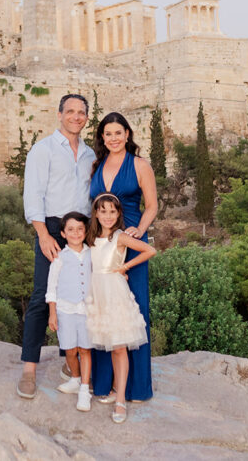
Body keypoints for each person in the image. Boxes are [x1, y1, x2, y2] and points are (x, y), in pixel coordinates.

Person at [17, 94, 96, 399]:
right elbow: (33, 195)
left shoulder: (90, 154)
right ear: (60, 114)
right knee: (42, 295)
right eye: (71, 111)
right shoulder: (43, 149)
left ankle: (71, 366)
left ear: (86, 117)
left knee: (80, 297)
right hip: (51, 228)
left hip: (83, 231)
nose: (76, 116)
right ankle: (28, 370)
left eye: (82, 112)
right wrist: (43, 234)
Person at [89, 111, 158, 403]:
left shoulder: (140, 164)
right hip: (101, 242)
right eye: (108, 134)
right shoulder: (96, 165)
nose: (114, 138)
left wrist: (140, 230)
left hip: (128, 241)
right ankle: (104, 384)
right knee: (103, 311)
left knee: (134, 313)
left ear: (127, 134)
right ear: (102, 138)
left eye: (118, 133)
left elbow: (153, 204)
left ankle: (135, 388)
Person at [86, 193, 156, 423]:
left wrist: (124, 266)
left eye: (112, 211)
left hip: (114, 293)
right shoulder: (90, 237)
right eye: (103, 211)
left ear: (118, 214)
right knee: (101, 342)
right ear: (96, 213)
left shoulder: (120, 237)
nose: (107, 216)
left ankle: (120, 399)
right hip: (95, 294)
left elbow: (149, 250)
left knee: (118, 346)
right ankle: (112, 388)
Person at [46, 211, 94, 412]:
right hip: (65, 310)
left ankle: (84, 389)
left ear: (85, 231)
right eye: (71, 229)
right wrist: (53, 313)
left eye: (80, 229)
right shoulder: (59, 258)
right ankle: (75, 378)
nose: (76, 233)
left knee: (85, 349)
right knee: (70, 349)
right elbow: (52, 287)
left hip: (87, 310)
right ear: (63, 234)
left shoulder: (93, 253)